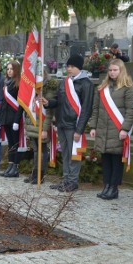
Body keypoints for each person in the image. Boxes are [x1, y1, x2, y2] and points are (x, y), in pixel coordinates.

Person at [42, 53, 94, 192]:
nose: (69, 69)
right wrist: (49, 103)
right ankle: (66, 179)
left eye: (72, 66)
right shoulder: (65, 82)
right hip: (61, 123)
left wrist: (79, 130)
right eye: (68, 66)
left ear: (79, 67)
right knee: (65, 153)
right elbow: (59, 101)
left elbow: (86, 109)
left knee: (74, 154)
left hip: (74, 125)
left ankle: (73, 181)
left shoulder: (86, 84)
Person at [88, 59, 133, 200]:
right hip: (103, 129)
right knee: (106, 159)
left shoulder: (128, 89)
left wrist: (125, 129)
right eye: (110, 70)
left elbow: (131, 111)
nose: (112, 73)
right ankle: (106, 185)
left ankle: (114, 188)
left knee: (116, 160)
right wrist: (93, 126)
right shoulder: (103, 88)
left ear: (121, 71)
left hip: (118, 129)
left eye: (115, 70)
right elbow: (96, 109)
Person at [22, 72, 57, 184]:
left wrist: (45, 129)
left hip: (42, 125)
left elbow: (49, 113)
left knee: (42, 151)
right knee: (36, 150)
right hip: (32, 124)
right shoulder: (32, 88)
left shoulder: (48, 90)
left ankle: (40, 174)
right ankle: (34, 173)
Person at [0, 60, 23, 178]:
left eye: (11, 69)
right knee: (10, 143)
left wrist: (16, 120)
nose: (9, 71)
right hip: (5, 117)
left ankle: (16, 167)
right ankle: (10, 165)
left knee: (15, 143)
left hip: (14, 118)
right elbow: (2, 102)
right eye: (7, 69)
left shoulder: (19, 84)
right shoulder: (5, 83)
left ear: (16, 70)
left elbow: (20, 104)